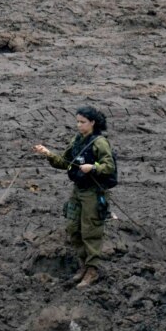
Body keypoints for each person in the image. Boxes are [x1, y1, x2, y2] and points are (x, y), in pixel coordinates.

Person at [34, 106, 115, 288]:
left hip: (94, 192)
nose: (79, 125)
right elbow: (65, 162)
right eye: (77, 121)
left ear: (92, 123)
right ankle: (83, 266)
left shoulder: (100, 143)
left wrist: (93, 167)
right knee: (73, 228)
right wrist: (48, 154)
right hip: (78, 190)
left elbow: (109, 166)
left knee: (90, 231)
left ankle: (92, 270)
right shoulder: (77, 140)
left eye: (83, 122)